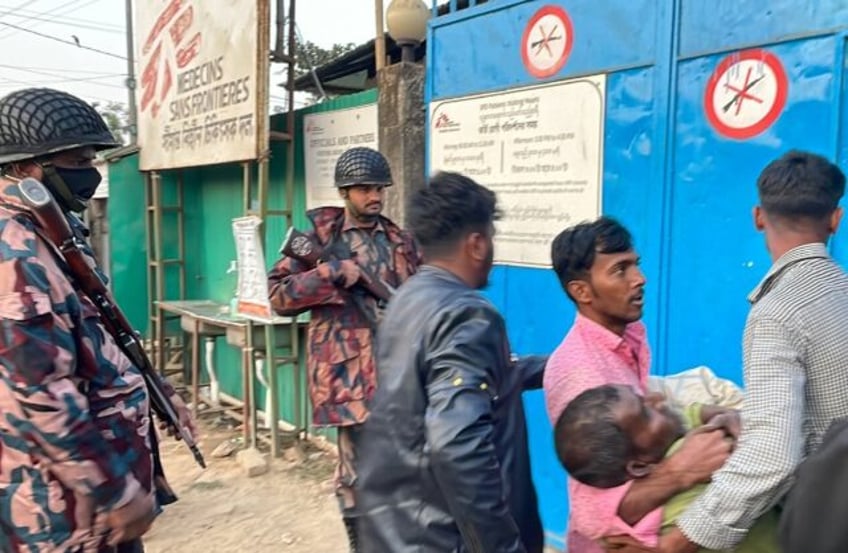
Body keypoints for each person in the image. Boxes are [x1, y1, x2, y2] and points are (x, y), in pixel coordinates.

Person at [0, 88, 195, 552]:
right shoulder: (14, 251)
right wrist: (114, 490)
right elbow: (38, 390)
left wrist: (157, 391)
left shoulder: (50, 232)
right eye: (78, 160)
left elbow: (100, 337)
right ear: (28, 169)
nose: (89, 173)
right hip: (63, 514)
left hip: (90, 505)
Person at [653, 151, 848, 552]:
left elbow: (772, 458)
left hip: (827, 518)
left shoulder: (776, 314)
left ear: (758, 216)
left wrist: (678, 540)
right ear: (835, 219)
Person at [352, 171, 547, 552]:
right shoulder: (467, 313)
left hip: (397, 529)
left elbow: (459, 382)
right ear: (476, 244)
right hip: (442, 538)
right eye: (491, 238)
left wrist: (560, 365)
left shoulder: (408, 299)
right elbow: (458, 444)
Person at [542, 217, 733, 553]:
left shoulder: (623, 337)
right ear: (582, 291)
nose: (640, 279)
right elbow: (590, 510)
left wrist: (708, 412)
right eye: (620, 270)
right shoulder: (581, 373)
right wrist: (680, 471)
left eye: (636, 265)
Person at [267, 146, 420, 551]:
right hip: (347, 370)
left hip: (397, 370)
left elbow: (419, 297)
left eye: (379, 188)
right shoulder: (321, 238)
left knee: (404, 466)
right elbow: (278, 299)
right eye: (364, 188)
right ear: (344, 191)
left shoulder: (399, 241)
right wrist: (329, 272)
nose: (374, 196)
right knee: (354, 472)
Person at [555, 384, 778, 553]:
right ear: (639, 466)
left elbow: (692, 413)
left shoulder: (668, 441)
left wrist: (724, 415)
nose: (658, 399)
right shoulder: (700, 455)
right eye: (647, 413)